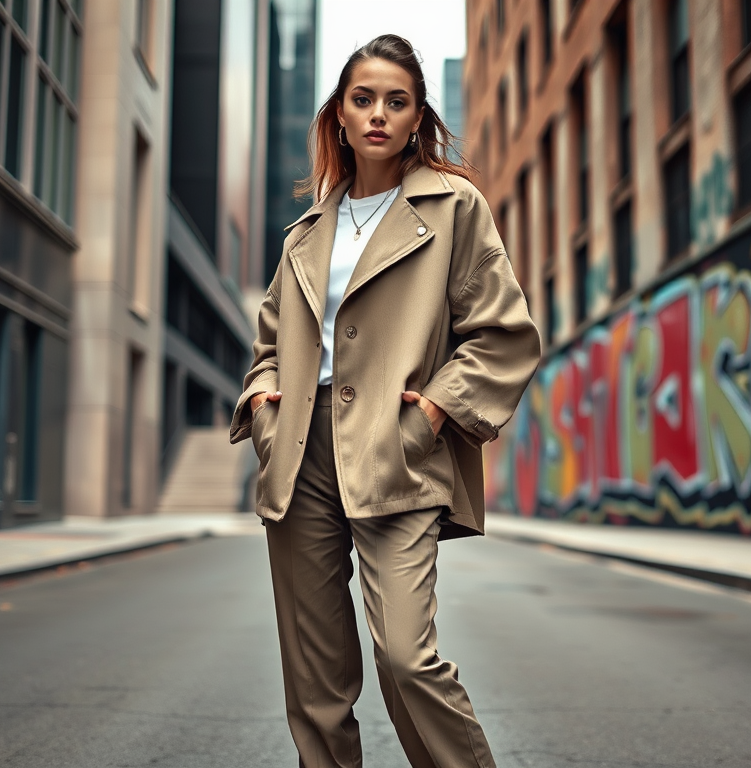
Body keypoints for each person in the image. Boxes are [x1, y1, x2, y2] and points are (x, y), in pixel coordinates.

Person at [229, 34, 541, 768]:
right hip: (301, 448)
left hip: (398, 445)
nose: (378, 114)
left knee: (406, 656)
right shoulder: (305, 233)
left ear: (415, 117)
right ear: (339, 114)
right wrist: (265, 404)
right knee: (315, 684)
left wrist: (433, 409)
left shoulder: (452, 205)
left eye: (395, 102)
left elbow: (504, 333)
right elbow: (269, 344)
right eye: (362, 99)